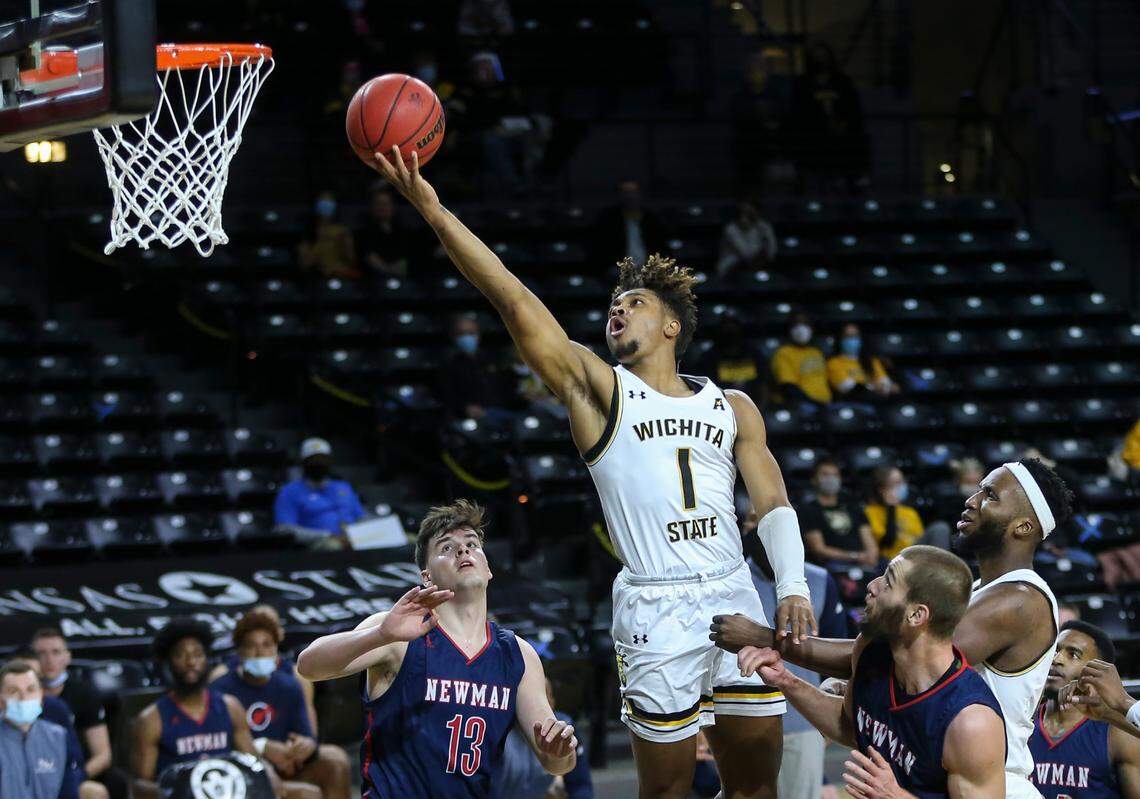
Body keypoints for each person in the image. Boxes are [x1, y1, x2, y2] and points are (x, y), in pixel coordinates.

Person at [370, 143, 814, 799]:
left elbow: (772, 498)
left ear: (670, 324)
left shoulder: (734, 405)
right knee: (664, 790)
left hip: (733, 591)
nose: (617, 309)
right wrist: (433, 211)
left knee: (756, 787)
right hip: (655, 603)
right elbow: (514, 299)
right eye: (613, 303)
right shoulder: (599, 390)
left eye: (632, 301)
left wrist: (793, 585)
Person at [712, 457, 1074, 799]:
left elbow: (896, 653)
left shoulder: (1020, 599)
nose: (972, 500)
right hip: (923, 770)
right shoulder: (982, 590)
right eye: (979, 489)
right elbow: (855, 724)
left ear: (1023, 526)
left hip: (988, 782)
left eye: (990, 495)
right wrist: (796, 680)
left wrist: (764, 638)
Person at [296, 500, 576, 798]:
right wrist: (379, 634)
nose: (463, 550)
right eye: (446, 547)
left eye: (472, 544)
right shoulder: (398, 633)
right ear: (426, 576)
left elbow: (556, 764)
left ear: (488, 568)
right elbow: (308, 665)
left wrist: (559, 752)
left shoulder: (518, 654)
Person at [737, 545, 1008, 797]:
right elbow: (851, 727)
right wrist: (785, 679)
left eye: (888, 583)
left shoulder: (971, 722)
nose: (872, 586)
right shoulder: (870, 649)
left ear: (916, 616)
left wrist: (897, 796)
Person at [131, 618, 287, 799]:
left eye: (197, 654)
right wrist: (174, 792)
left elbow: (252, 761)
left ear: (206, 659)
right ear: (169, 663)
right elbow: (140, 786)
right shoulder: (151, 719)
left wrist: (268, 772)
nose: (191, 662)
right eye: (181, 655)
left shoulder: (230, 707)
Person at [745, 520, 846, 799]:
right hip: (740, 716)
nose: (759, 527)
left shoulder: (818, 579)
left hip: (802, 721)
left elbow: (839, 656)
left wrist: (828, 717)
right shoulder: (732, 582)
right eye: (751, 521)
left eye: (765, 519)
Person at [212, 609, 350, 799]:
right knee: (307, 795)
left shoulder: (290, 684)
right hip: (242, 771)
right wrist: (262, 748)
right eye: (252, 646)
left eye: (267, 645)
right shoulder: (220, 688)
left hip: (286, 764)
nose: (260, 653)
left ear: (276, 648)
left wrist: (303, 747)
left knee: (336, 759)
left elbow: (307, 735)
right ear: (239, 651)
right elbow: (216, 746)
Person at [1030, 621, 1140, 798]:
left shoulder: (1119, 736)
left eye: (1073, 655)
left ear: (1098, 673)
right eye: (1055, 650)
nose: (1057, 659)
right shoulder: (1022, 723)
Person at [32, 628, 125, 799]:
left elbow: (103, 755)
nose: (49, 660)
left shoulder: (83, 693)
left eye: (56, 652)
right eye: (41, 653)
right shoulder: (23, 696)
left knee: (113, 782)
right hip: (32, 771)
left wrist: (75, 777)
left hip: (72, 770)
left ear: (67, 656)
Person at [495, 678, 592, 799]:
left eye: (545, 700)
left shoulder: (565, 728)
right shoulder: (497, 730)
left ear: (552, 701)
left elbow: (580, 786)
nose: (536, 708)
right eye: (528, 701)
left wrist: (561, 760)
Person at [0, 660, 85, 799]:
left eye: (30, 690)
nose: (23, 698)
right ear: (1, 701)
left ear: (41, 696)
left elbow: (68, 791)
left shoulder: (59, 737)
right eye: (13, 691)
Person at [273, 437, 367, 548]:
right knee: (332, 545)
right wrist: (325, 535)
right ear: (304, 463)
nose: (319, 464)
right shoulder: (289, 492)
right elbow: (285, 529)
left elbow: (361, 517)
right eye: (314, 460)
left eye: (323, 460)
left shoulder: (343, 487)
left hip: (353, 537)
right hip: (319, 543)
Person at [437, 314, 517, 425]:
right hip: (469, 417)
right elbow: (447, 395)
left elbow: (510, 386)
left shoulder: (494, 360)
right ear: (453, 336)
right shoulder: (448, 366)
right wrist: (465, 407)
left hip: (503, 411)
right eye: (461, 333)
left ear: (478, 335)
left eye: (471, 333)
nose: (467, 337)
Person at [800, 458, 880, 568]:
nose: (831, 479)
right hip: (832, 564)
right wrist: (855, 556)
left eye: (835, 475)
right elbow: (819, 549)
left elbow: (869, 539)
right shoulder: (808, 510)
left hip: (862, 561)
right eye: (825, 474)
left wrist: (871, 555)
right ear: (814, 479)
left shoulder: (853, 506)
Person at [589, 178, 666, 268]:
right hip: (619, 269)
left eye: (633, 192)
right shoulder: (608, 219)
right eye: (626, 192)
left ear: (639, 194)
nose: (630, 196)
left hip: (648, 268)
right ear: (619, 195)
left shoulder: (651, 218)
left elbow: (659, 246)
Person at [771, 312, 831, 409]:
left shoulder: (816, 352)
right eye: (797, 323)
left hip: (825, 404)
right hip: (801, 405)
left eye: (805, 323)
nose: (801, 328)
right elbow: (788, 387)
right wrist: (815, 403)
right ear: (790, 328)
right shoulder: (783, 353)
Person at [863, 466, 925, 560]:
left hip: (916, 555)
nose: (902, 486)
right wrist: (891, 509)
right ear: (882, 489)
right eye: (896, 483)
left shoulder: (910, 512)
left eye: (903, 481)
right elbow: (887, 543)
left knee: (939, 529)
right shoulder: (870, 512)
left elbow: (921, 541)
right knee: (939, 529)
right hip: (893, 559)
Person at [826, 323, 896, 401]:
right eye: (848, 336)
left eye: (855, 336)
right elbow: (847, 387)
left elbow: (887, 383)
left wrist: (882, 387)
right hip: (853, 402)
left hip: (876, 400)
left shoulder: (871, 360)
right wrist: (877, 387)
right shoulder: (833, 363)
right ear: (840, 339)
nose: (852, 340)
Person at [298, 190, 360, 279]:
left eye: (329, 203)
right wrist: (322, 241)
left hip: (341, 276)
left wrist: (343, 244)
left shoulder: (342, 231)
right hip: (317, 278)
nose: (326, 207)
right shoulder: (308, 233)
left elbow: (352, 260)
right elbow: (305, 265)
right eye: (323, 203)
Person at [357, 186, 410, 277]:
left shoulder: (403, 230)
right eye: (379, 204)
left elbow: (406, 258)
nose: (382, 208)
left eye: (386, 204)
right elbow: (368, 256)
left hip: (401, 278)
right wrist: (386, 270)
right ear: (373, 207)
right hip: (373, 279)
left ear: (393, 206)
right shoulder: (365, 231)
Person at [716, 200, 777, 277]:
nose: (747, 215)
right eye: (744, 212)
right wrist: (748, 230)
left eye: (751, 212)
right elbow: (747, 253)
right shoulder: (731, 229)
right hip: (731, 267)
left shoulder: (764, 226)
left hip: (759, 266)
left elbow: (772, 252)